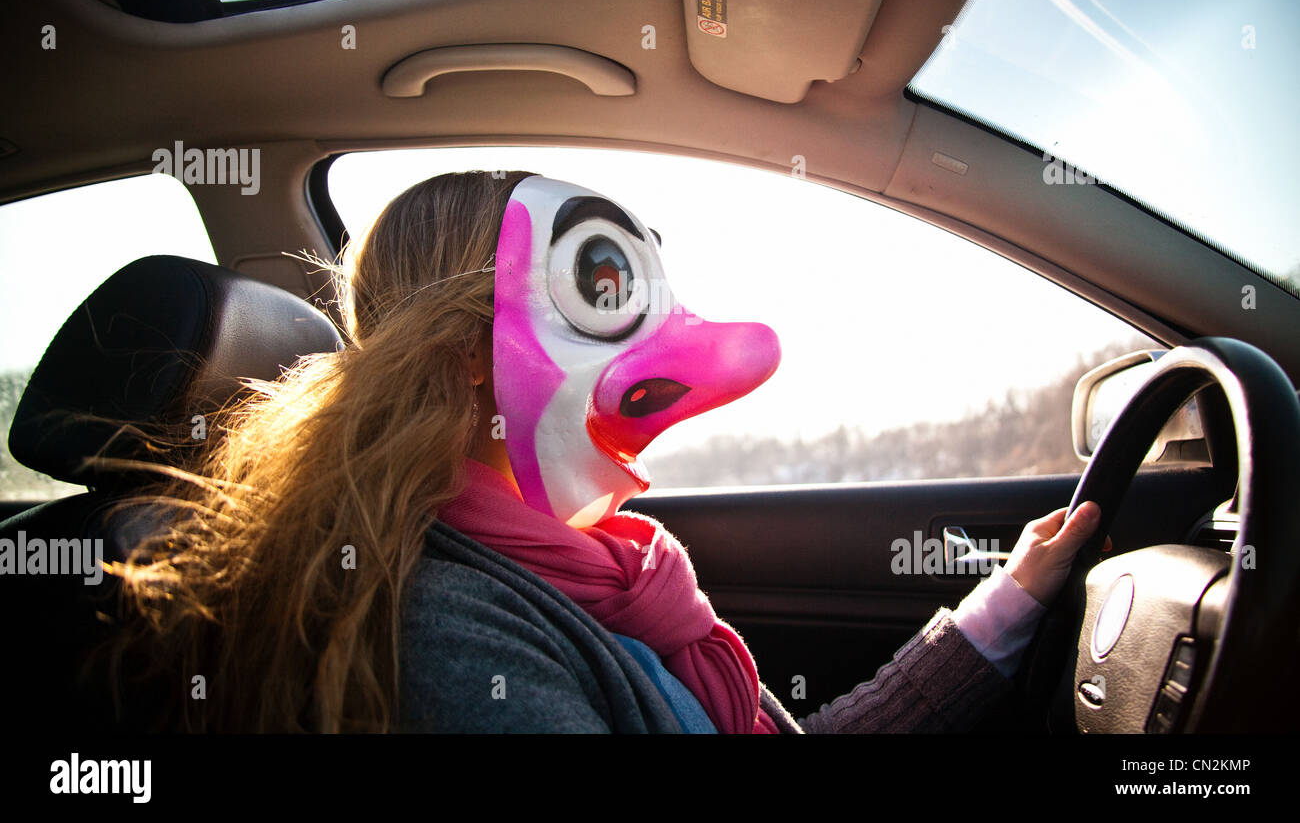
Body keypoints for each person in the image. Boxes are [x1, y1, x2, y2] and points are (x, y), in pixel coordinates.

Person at [104, 169, 1102, 733]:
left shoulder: (608, 572)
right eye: (602, 291)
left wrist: (1002, 607)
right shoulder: (443, 631)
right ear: (465, 358)